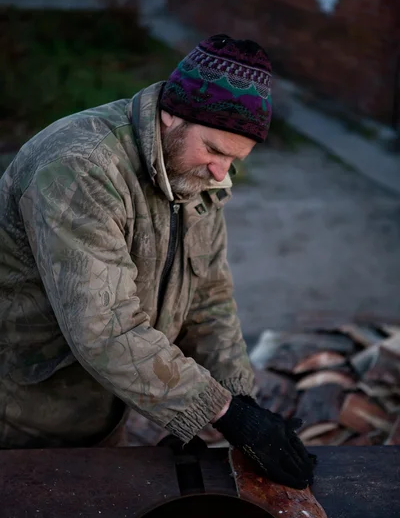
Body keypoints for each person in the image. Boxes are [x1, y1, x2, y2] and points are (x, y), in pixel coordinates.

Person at [0, 34, 315, 488]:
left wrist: (241, 402)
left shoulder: (194, 175)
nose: (221, 173)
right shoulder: (79, 169)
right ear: (170, 114)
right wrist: (217, 410)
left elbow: (208, 296)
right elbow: (105, 328)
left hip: (104, 410)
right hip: (21, 421)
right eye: (215, 151)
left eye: (235, 160)